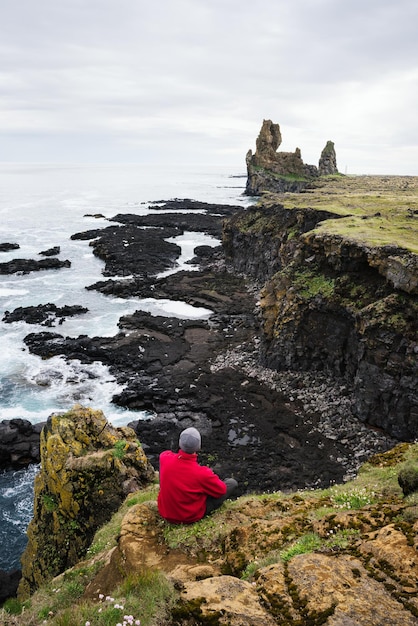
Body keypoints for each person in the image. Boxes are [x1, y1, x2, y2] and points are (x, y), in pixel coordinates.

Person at [157, 427, 238, 524]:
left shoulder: (164, 458)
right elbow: (221, 490)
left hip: (166, 513)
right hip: (189, 517)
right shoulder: (202, 473)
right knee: (231, 483)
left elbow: (168, 454)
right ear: (198, 446)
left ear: (179, 443)